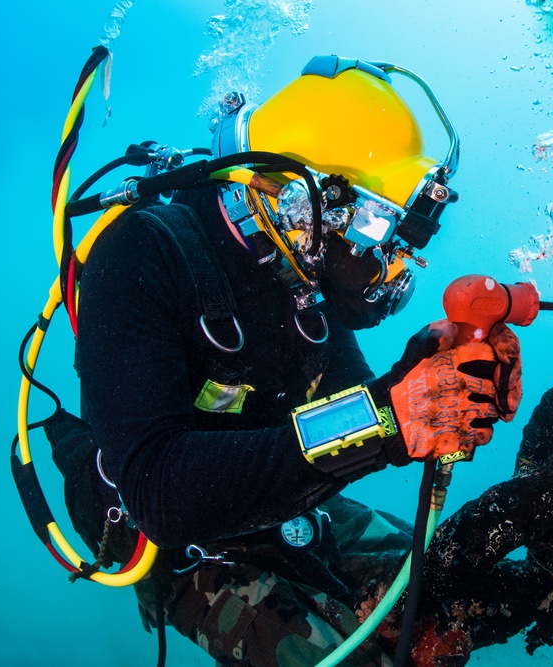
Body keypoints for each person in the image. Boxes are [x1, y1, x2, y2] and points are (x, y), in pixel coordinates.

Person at [73, 55, 522, 666]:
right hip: (168, 539)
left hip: (283, 499)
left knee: (448, 589)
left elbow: (360, 405)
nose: (389, 266)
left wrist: (425, 373)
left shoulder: (298, 277)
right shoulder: (140, 254)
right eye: (378, 231)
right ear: (309, 203)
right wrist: (389, 419)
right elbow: (160, 490)